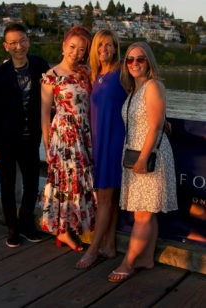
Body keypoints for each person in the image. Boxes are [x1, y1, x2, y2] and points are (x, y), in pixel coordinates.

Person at [108, 42, 178, 282]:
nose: (134, 63)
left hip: (148, 157)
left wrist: (143, 157)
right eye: (129, 60)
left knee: (143, 215)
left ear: (149, 62)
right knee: (148, 212)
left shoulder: (153, 86)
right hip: (135, 155)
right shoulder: (134, 90)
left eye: (140, 59)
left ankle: (127, 264)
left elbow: (156, 125)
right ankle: (147, 258)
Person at [0, 23, 49, 248]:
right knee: (7, 186)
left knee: (32, 185)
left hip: (31, 139)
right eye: (13, 42)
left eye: (22, 40)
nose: (18, 46)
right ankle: (12, 230)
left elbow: (53, 97)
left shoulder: (41, 66)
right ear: (6, 46)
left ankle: (26, 224)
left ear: (28, 41)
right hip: (5, 140)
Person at [40, 26, 97, 251]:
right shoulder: (50, 77)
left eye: (81, 49)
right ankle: (63, 231)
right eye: (72, 47)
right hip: (63, 135)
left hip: (85, 133)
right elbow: (45, 114)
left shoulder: (87, 73)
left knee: (82, 181)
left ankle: (74, 226)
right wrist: (46, 145)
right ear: (63, 46)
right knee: (65, 181)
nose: (75, 52)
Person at [76, 30, 127, 268]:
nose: (104, 50)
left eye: (108, 45)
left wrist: (163, 118)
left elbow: (146, 90)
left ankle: (93, 250)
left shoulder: (123, 72)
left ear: (116, 48)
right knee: (111, 199)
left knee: (104, 200)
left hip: (114, 142)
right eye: (99, 46)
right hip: (99, 141)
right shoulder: (96, 75)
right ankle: (110, 246)